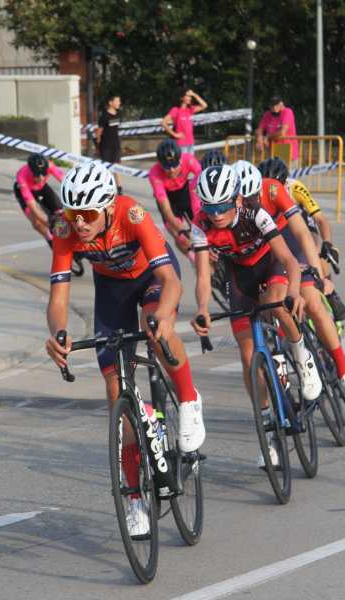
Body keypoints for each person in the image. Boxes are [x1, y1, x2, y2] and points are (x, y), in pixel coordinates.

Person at [45, 161, 205, 536]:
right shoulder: (66, 229)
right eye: (73, 212)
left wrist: (163, 315)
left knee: (155, 329)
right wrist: (59, 333)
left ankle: (188, 399)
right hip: (112, 290)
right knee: (116, 391)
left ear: (106, 207)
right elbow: (58, 297)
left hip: (153, 278)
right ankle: (134, 498)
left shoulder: (131, 213)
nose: (79, 222)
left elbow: (171, 282)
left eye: (87, 214)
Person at [189, 164, 320, 467]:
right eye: (209, 207)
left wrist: (294, 292)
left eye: (222, 206)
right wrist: (202, 308)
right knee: (248, 356)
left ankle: (303, 356)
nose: (215, 214)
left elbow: (288, 258)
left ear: (236, 199)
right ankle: (268, 428)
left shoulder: (255, 212)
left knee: (276, 305)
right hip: (240, 276)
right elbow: (203, 277)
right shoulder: (200, 225)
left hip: (271, 264)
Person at [233, 160, 345, 409]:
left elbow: (304, 233)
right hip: (261, 252)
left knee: (313, 302)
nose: (250, 202)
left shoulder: (277, 189)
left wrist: (318, 274)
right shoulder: (232, 207)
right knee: (268, 305)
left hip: (287, 241)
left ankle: (344, 373)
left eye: (254, 197)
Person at [258, 157, 345, 320]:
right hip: (276, 226)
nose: (271, 190)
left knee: (314, 248)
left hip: (299, 220)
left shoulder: (295, 187)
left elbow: (320, 219)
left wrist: (327, 243)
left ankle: (329, 293)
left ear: (285, 183)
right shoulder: (257, 193)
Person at [13, 153, 84, 276]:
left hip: (42, 189)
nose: (41, 177)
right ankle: (50, 239)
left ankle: (69, 239)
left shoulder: (50, 165)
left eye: (44, 174)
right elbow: (33, 207)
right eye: (37, 175)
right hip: (26, 191)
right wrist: (50, 223)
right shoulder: (22, 176)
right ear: (31, 171)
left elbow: (66, 182)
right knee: (37, 222)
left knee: (60, 212)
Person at [148, 139, 202, 257]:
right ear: (160, 164)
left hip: (185, 192)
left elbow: (202, 177)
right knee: (180, 237)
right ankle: (193, 259)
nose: (171, 170)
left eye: (175, 165)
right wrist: (182, 230)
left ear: (181, 159)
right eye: (167, 167)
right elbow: (167, 211)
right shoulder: (154, 174)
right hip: (168, 199)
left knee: (200, 227)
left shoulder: (189, 160)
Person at [162, 88, 207, 154]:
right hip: (181, 144)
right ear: (181, 98)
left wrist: (194, 94)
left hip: (191, 143)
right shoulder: (175, 110)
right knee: (183, 160)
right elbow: (163, 122)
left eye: (190, 96)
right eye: (187, 96)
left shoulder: (190, 109)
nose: (190, 98)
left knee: (190, 160)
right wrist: (174, 134)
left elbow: (204, 105)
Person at [255, 96, 298, 162]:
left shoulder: (287, 112)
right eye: (272, 105)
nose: (274, 107)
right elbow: (259, 129)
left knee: (286, 167)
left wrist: (267, 137)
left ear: (281, 104)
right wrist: (259, 139)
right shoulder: (267, 114)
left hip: (287, 149)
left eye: (276, 105)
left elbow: (282, 132)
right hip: (273, 151)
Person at [95, 94, 123, 194]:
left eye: (119, 101)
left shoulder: (119, 114)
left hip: (116, 144)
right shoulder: (104, 116)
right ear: (110, 103)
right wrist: (98, 143)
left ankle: (119, 188)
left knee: (117, 166)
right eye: (117, 101)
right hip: (106, 145)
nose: (119, 103)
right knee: (106, 168)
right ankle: (104, 188)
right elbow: (99, 131)